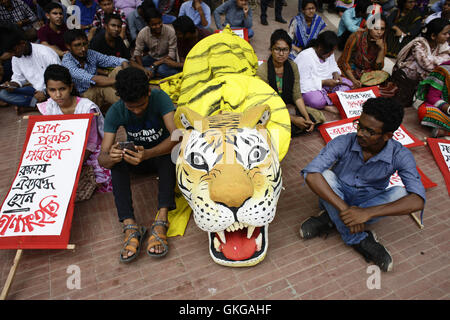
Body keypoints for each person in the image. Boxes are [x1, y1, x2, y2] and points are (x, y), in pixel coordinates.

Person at [299, 97, 426, 272]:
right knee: (324, 175)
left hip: (368, 204)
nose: (360, 133)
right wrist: (344, 210)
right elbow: (311, 175)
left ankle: (329, 218)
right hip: (336, 198)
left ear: (388, 135)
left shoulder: (400, 155)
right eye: (359, 125)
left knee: (401, 193)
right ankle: (359, 239)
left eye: (370, 131)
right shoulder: (345, 141)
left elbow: (418, 201)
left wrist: (366, 213)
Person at [98, 67, 178, 263]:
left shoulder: (160, 97)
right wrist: (113, 156)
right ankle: (130, 225)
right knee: (116, 165)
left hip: (158, 154)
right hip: (136, 160)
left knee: (170, 157)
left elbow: (176, 136)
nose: (136, 110)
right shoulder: (116, 110)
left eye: (141, 105)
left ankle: (161, 219)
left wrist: (148, 153)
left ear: (148, 92)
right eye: (131, 107)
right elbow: (102, 157)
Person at [37, 64, 112, 199]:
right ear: (47, 90)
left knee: (102, 172)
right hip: (65, 149)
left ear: (71, 87)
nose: (58, 94)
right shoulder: (49, 107)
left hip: (90, 150)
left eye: (62, 89)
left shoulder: (86, 108)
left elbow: (92, 141)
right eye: (52, 90)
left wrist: (76, 163)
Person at [256, 29, 325, 136]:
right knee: (264, 124)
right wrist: (293, 119)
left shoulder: (292, 66)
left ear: (289, 50)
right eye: (277, 49)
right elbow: (264, 104)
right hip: (270, 110)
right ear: (271, 49)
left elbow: (297, 96)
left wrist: (306, 118)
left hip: (288, 106)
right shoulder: (263, 71)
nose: (281, 54)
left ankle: (293, 128)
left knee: (315, 117)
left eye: (285, 50)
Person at [62, 29, 130, 113]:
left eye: (85, 44)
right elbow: (93, 79)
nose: (83, 49)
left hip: (97, 87)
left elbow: (116, 60)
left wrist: (126, 71)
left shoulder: (90, 53)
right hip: (82, 97)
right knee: (100, 88)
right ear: (68, 46)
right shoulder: (67, 62)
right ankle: (129, 104)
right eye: (77, 45)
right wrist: (122, 80)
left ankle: (126, 98)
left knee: (119, 69)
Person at [0, 24, 60, 114]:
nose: (12, 54)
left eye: (13, 51)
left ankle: (35, 107)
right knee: (3, 94)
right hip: (35, 91)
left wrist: (45, 92)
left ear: (22, 43)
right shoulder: (16, 57)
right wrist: (12, 85)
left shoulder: (45, 53)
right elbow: (18, 78)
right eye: (10, 52)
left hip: (52, 90)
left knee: (58, 96)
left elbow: (59, 78)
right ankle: (40, 105)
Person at [392, 18, 450, 108]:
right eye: (444, 34)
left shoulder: (443, 45)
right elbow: (427, 64)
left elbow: (446, 60)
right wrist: (439, 60)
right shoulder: (419, 44)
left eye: (448, 33)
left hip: (417, 82)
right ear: (433, 36)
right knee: (398, 103)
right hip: (404, 78)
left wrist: (435, 60)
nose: (448, 36)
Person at [295, 30, 353, 114]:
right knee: (315, 100)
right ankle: (325, 105)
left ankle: (327, 99)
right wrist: (324, 82)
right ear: (320, 48)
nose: (332, 54)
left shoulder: (328, 52)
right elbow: (301, 83)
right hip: (311, 88)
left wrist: (335, 74)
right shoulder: (305, 56)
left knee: (349, 85)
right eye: (330, 52)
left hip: (328, 84)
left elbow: (333, 65)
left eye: (333, 51)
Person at [337, 15, 387, 89]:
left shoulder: (382, 43)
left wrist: (381, 49)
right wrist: (353, 80)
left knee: (385, 82)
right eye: (376, 28)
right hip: (350, 69)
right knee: (346, 86)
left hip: (366, 73)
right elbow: (345, 62)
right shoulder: (356, 37)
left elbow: (378, 68)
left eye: (382, 29)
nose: (379, 32)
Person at [133, 6, 178, 79]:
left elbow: (172, 54)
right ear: (148, 24)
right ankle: (152, 72)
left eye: (159, 23)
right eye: (154, 25)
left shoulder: (170, 31)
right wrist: (142, 69)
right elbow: (137, 53)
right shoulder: (143, 33)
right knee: (135, 64)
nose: (158, 26)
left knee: (161, 70)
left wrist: (156, 64)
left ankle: (155, 72)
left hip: (166, 59)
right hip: (152, 57)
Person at [415, 61, 450, 137]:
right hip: (444, 111)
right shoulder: (443, 70)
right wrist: (448, 108)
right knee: (424, 111)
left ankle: (446, 132)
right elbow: (432, 97)